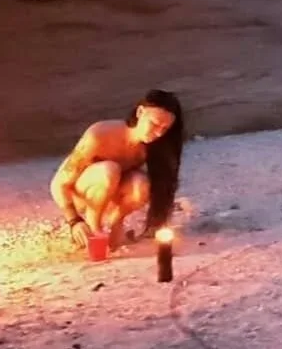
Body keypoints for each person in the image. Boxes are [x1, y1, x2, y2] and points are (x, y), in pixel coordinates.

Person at [50, 89, 185, 251]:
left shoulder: (152, 147)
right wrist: (74, 220)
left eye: (164, 129)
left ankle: (116, 223)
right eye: (155, 124)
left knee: (141, 185)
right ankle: (94, 227)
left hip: (111, 194)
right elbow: (59, 184)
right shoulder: (100, 135)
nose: (158, 133)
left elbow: (162, 185)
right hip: (85, 194)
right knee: (109, 170)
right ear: (140, 112)